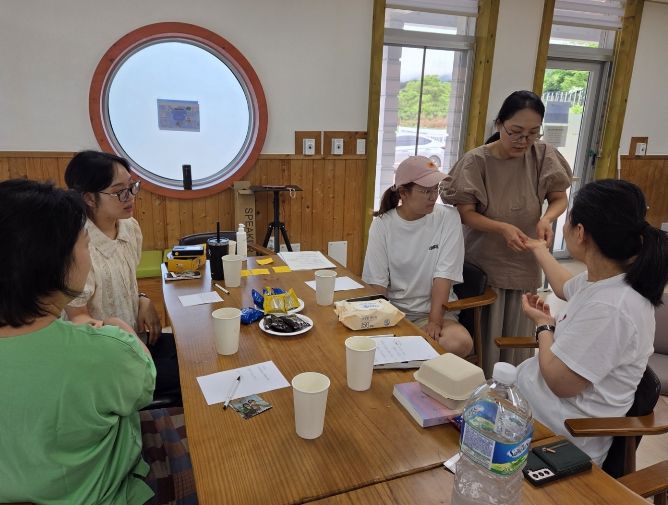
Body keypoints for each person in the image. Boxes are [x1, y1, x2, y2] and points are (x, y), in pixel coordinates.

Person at [0, 179, 157, 503]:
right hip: (102, 495)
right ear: (54, 262)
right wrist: (120, 329)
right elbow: (144, 386)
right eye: (85, 244)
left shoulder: (130, 231)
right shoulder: (107, 350)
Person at [516, 179, 668, 465]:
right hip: (535, 413)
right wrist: (539, 249)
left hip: (559, 440)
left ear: (580, 232)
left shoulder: (612, 307)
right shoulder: (607, 278)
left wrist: (544, 326)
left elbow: (560, 382)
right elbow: (564, 286)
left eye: (568, 219)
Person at [443, 90, 572, 375]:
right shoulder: (476, 161)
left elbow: (559, 197)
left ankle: (514, 388)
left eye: (532, 133)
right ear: (499, 124)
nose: (523, 141)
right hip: (485, 262)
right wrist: (501, 227)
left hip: (525, 261)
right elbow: (466, 213)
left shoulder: (543, 155)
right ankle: (483, 389)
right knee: (486, 336)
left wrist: (547, 218)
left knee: (519, 333)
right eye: (515, 132)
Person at [63, 150, 180, 397]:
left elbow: (124, 280)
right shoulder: (79, 245)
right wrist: (119, 331)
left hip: (134, 342)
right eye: (119, 192)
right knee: (191, 375)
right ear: (89, 198)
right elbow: (77, 319)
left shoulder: (129, 227)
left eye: (132, 187)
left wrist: (142, 299)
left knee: (195, 352)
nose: (131, 197)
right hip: (105, 359)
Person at [363, 156, 473, 357]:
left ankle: (406, 355)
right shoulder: (382, 224)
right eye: (426, 191)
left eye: (435, 189)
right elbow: (377, 284)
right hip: (396, 314)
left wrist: (434, 321)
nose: (433, 197)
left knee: (460, 342)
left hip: (436, 314)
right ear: (403, 193)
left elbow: (444, 275)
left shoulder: (448, 217)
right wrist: (381, 322)